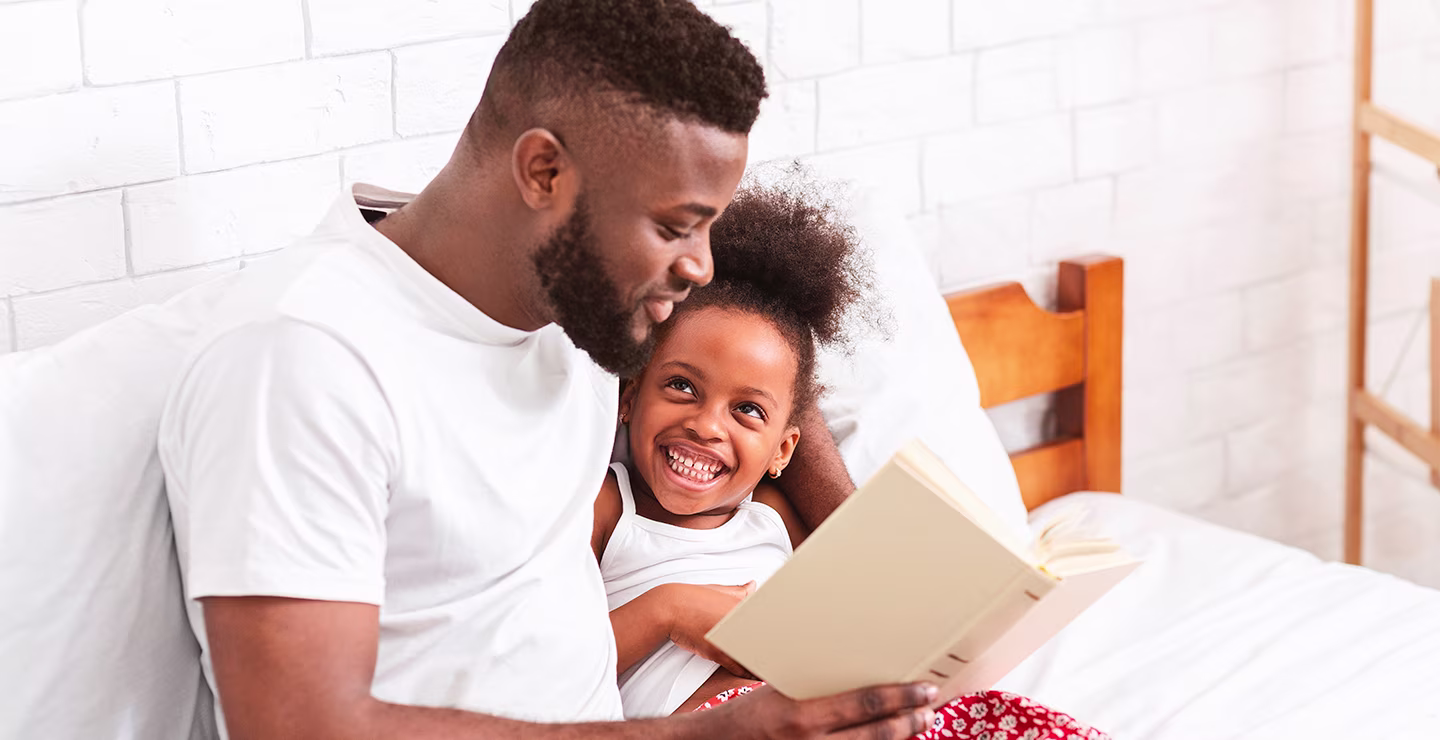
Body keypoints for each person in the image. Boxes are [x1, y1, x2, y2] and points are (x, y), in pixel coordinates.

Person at [158, 0, 932, 738]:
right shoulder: (304, 359)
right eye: (675, 228)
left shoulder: (578, 304)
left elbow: (764, 378)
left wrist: (871, 563)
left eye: (708, 228)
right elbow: (299, 727)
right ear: (544, 173)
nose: (700, 267)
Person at [592, 176, 1111, 740]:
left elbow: (849, 612)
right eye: (682, 387)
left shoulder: (772, 515)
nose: (707, 425)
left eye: (747, 410)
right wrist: (668, 612)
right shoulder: (608, 510)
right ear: (629, 396)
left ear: (784, 450)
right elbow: (548, 661)